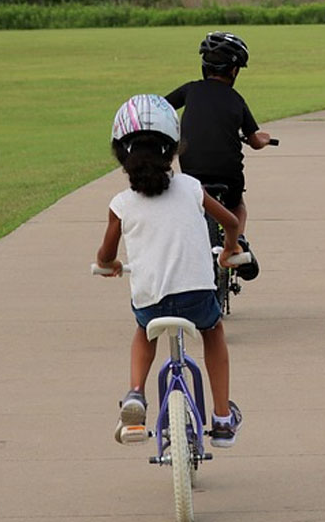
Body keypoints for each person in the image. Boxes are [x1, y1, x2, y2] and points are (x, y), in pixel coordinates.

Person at [95, 94, 245, 448]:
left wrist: (109, 265)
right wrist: (229, 248)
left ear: (121, 153)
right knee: (213, 331)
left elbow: (105, 254)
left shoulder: (121, 204)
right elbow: (230, 221)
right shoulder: (192, 188)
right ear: (173, 149)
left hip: (152, 302)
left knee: (144, 330)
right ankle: (222, 417)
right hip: (197, 298)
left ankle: (135, 395)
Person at [165, 31, 273, 280]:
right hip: (228, 171)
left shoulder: (190, 90)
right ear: (234, 71)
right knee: (237, 206)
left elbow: (162, 105)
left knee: (195, 202)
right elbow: (255, 141)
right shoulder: (237, 100)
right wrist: (265, 139)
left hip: (192, 169)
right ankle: (238, 242)